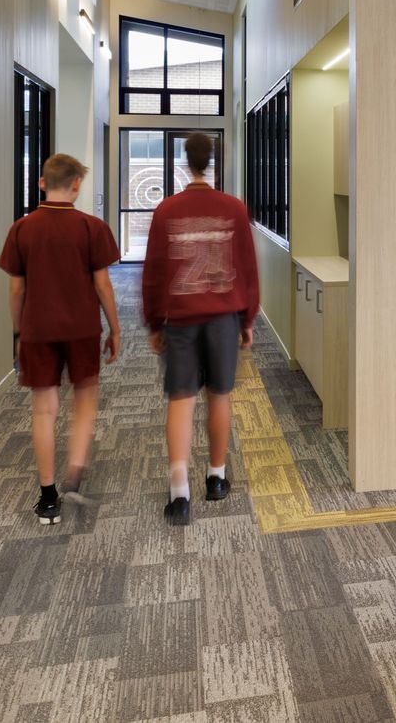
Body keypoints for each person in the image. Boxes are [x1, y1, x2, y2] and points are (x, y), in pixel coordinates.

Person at [141, 132, 259, 526]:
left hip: (180, 319)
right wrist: (247, 319)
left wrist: (154, 322)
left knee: (181, 399)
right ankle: (216, 477)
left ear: (184, 162)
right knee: (220, 397)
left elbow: (154, 273)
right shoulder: (233, 209)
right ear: (211, 162)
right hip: (223, 317)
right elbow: (247, 267)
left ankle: (179, 494)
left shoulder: (166, 211)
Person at [0, 152, 121, 526]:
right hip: (83, 328)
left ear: (41, 183)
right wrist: (115, 328)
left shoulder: (22, 229)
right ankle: (74, 474)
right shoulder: (91, 227)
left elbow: (16, 290)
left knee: (44, 411)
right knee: (84, 403)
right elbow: (102, 284)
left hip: (38, 329)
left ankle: (48, 495)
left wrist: (19, 331)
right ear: (77, 185)